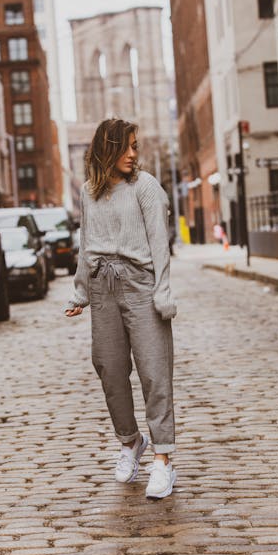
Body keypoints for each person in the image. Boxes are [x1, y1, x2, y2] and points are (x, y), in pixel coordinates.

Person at [65, 118, 177, 499]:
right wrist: (81, 292)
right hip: (102, 287)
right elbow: (87, 243)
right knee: (109, 368)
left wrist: (162, 291)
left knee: (153, 371)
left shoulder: (145, 188)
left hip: (140, 285)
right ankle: (131, 441)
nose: (133, 154)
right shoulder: (88, 192)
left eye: (135, 146)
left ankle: (163, 459)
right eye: (125, 147)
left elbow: (160, 244)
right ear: (106, 149)